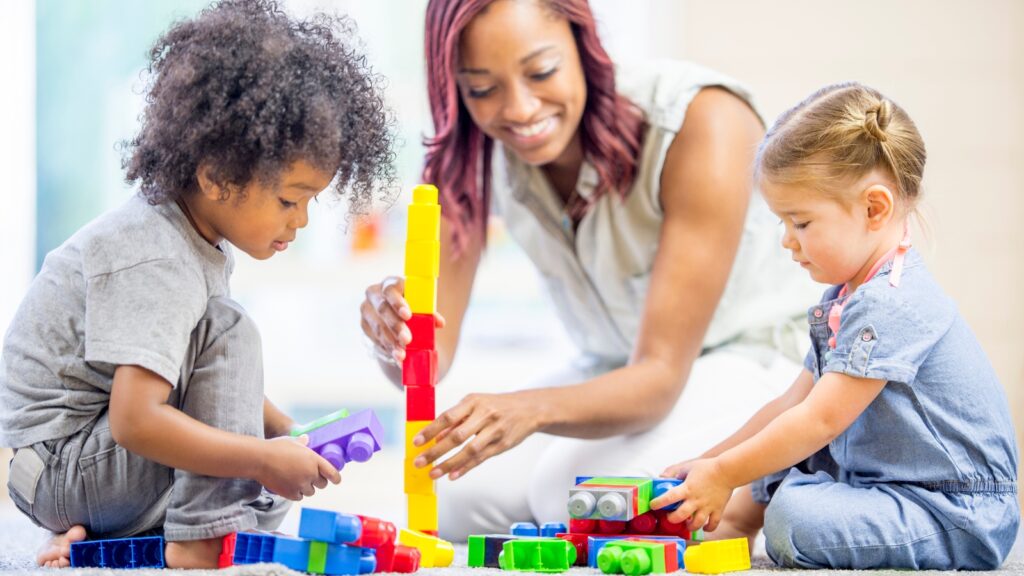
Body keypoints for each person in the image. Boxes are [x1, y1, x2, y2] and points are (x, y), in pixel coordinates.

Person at [360, 0, 817, 539]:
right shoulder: (474, 155)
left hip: (759, 364)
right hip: (611, 371)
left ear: (583, 42)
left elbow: (659, 377)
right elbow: (427, 363)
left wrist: (526, 410)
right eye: (483, 89)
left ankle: (773, 483)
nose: (521, 109)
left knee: (574, 495)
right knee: (457, 491)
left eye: (541, 71)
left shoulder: (701, 119)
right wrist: (389, 336)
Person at [0, 0, 395, 568]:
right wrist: (259, 458)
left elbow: (202, 377)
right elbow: (136, 421)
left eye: (309, 201)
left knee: (260, 484)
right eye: (290, 199)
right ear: (216, 176)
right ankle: (198, 544)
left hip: (90, 463)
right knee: (235, 365)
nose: (302, 220)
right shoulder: (153, 254)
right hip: (65, 465)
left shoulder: (191, 237)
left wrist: (284, 433)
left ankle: (131, 544)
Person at [651, 82, 1020, 569]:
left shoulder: (892, 303)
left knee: (794, 516)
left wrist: (724, 473)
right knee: (783, 450)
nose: (788, 241)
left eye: (800, 223)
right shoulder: (845, 298)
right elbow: (792, 403)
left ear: (874, 208)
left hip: (953, 511)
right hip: (885, 486)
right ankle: (739, 522)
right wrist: (707, 466)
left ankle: (765, 516)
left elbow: (819, 421)